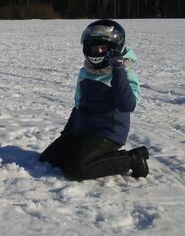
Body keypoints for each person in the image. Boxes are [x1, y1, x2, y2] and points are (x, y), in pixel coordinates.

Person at [39, 19, 149, 180]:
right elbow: (79, 104)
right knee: (49, 160)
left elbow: (127, 105)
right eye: (94, 47)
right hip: (83, 131)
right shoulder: (85, 72)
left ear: (114, 49)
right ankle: (88, 153)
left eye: (103, 47)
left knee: (75, 170)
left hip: (107, 133)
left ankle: (133, 159)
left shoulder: (124, 74)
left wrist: (118, 70)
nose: (97, 51)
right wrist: (69, 132)